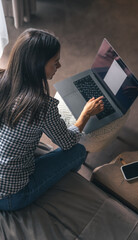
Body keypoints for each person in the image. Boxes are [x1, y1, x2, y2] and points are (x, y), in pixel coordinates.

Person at [0, 28, 104, 211]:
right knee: (78, 151)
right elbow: (67, 142)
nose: (60, 66)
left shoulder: (2, 79)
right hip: (11, 196)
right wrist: (86, 114)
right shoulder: (41, 106)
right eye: (55, 62)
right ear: (38, 65)